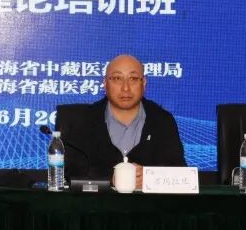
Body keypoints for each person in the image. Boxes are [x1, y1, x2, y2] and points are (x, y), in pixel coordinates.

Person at [55, 54, 186, 188]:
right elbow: (69, 173)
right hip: (95, 202)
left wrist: (151, 177)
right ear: (105, 84)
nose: (125, 88)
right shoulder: (80, 122)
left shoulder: (162, 121)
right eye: (117, 78)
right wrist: (110, 178)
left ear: (144, 84)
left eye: (133, 79)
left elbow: (181, 174)